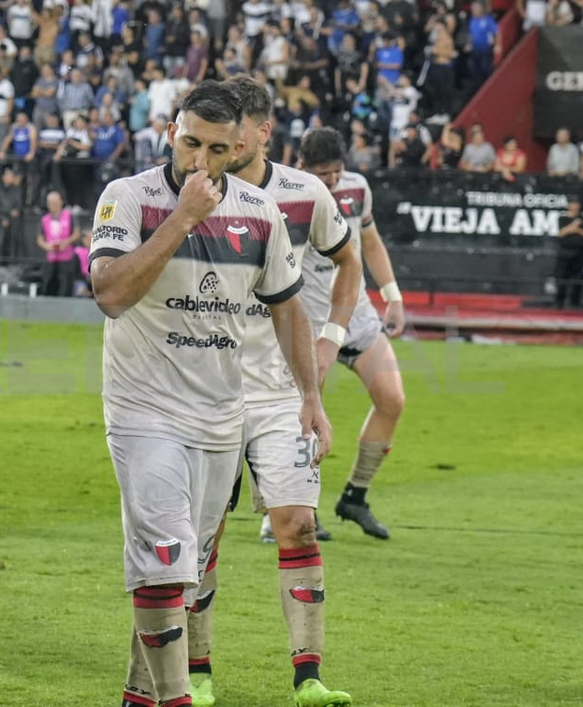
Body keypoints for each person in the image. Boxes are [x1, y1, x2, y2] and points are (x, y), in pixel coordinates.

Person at [89, 80, 331, 707]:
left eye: (216, 149)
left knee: (182, 575)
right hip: (145, 408)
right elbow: (111, 293)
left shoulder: (259, 210)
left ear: (239, 146)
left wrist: (311, 395)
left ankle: (141, 696)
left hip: (223, 414)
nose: (200, 161)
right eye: (190, 142)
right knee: (166, 558)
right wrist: (184, 217)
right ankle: (178, 700)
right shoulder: (128, 197)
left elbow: (286, 309)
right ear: (172, 129)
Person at [183, 76, 358, 707]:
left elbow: (350, 260)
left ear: (259, 132)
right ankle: (197, 673)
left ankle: (308, 678)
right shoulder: (189, 193)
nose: (249, 137)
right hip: (206, 389)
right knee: (202, 537)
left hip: (281, 391)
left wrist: (331, 342)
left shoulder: (304, 194)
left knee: (298, 526)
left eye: (254, 127)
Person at [297, 127, 407, 540]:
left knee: (392, 400)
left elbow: (371, 241)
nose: (330, 181)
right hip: (305, 321)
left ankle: (354, 497)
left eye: (336, 172)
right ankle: (285, 512)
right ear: (302, 166)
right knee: (299, 418)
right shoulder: (286, 193)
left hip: (355, 315)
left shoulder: (357, 188)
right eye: (322, 174)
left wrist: (392, 295)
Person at [554, 199, 583, 309]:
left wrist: (578, 230)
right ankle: (559, 302)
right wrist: (573, 227)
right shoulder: (562, 218)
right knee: (562, 279)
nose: (574, 206)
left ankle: (575, 303)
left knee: (578, 279)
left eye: (576, 204)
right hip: (565, 253)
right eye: (572, 204)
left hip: (580, 253)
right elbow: (561, 233)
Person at [37, 189, 78, 297]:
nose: (53, 206)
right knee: (48, 284)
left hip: (66, 257)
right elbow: (40, 238)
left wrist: (66, 242)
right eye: (50, 203)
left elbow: (76, 233)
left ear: (61, 202)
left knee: (65, 286)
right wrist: (47, 246)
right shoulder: (44, 219)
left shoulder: (69, 216)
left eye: (55, 203)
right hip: (51, 257)